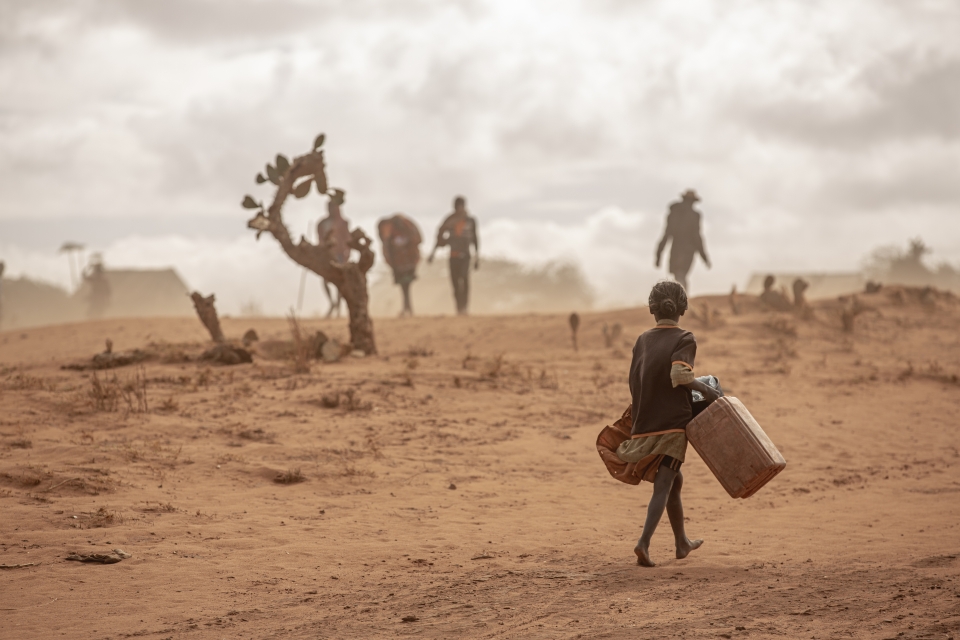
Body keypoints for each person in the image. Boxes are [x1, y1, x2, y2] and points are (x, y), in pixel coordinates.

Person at [616, 281, 721, 567]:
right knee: (663, 485)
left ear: (652, 308)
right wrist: (709, 391)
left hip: (645, 420)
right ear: (682, 309)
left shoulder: (642, 340)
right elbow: (680, 376)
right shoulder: (685, 337)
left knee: (675, 481)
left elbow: (634, 380)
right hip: (672, 425)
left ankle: (681, 543)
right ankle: (643, 543)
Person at [428, 195, 479, 315]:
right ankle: (459, 309)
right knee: (455, 283)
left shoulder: (470, 220)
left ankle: (464, 308)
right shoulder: (449, 220)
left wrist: (477, 257)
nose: (459, 208)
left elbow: (475, 238)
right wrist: (433, 254)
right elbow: (440, 236)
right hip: (453, 256)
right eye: (457, 206)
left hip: (465, 255)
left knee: (464, 280)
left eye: (460, 206)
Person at [655, 189, 711, 291]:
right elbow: (697, 237)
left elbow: (666, 235)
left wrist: (659, 254)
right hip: (687, 251)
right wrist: (704, 257)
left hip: (676, 250)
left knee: (679, 275)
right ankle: (683, 299)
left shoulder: (675, 214)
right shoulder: (694, 215)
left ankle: (682, 298)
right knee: (680, 275)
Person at [377, 213, 422, 317]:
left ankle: (407, 309)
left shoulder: (397, 231)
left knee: (405, 287)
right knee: (405, 287)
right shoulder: (394, 233)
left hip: (404, 263)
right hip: (403, 263)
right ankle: (408, 308)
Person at [317, 189, 351, 318]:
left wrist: (347, 252)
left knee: (340, 281)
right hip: (327, 255)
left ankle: (338, 306)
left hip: (340, 255)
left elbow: (347, 239)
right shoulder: (322, 223)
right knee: (325, 280)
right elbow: (320, 239)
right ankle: (332, 303)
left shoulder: (343, 223)